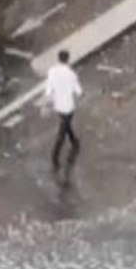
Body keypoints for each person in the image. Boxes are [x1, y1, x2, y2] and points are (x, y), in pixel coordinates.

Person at [43, 49, 82, 183]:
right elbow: (78, 91)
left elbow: (48, 89)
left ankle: (74, 141)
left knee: (66, 125)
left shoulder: (52, 72)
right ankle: (55, 155)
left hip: (58, 105)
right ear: (68, 59)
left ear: (58, 59)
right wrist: (78, 92)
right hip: (68, 106)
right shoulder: (71, 74)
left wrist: (48, 101)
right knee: (62, 130)